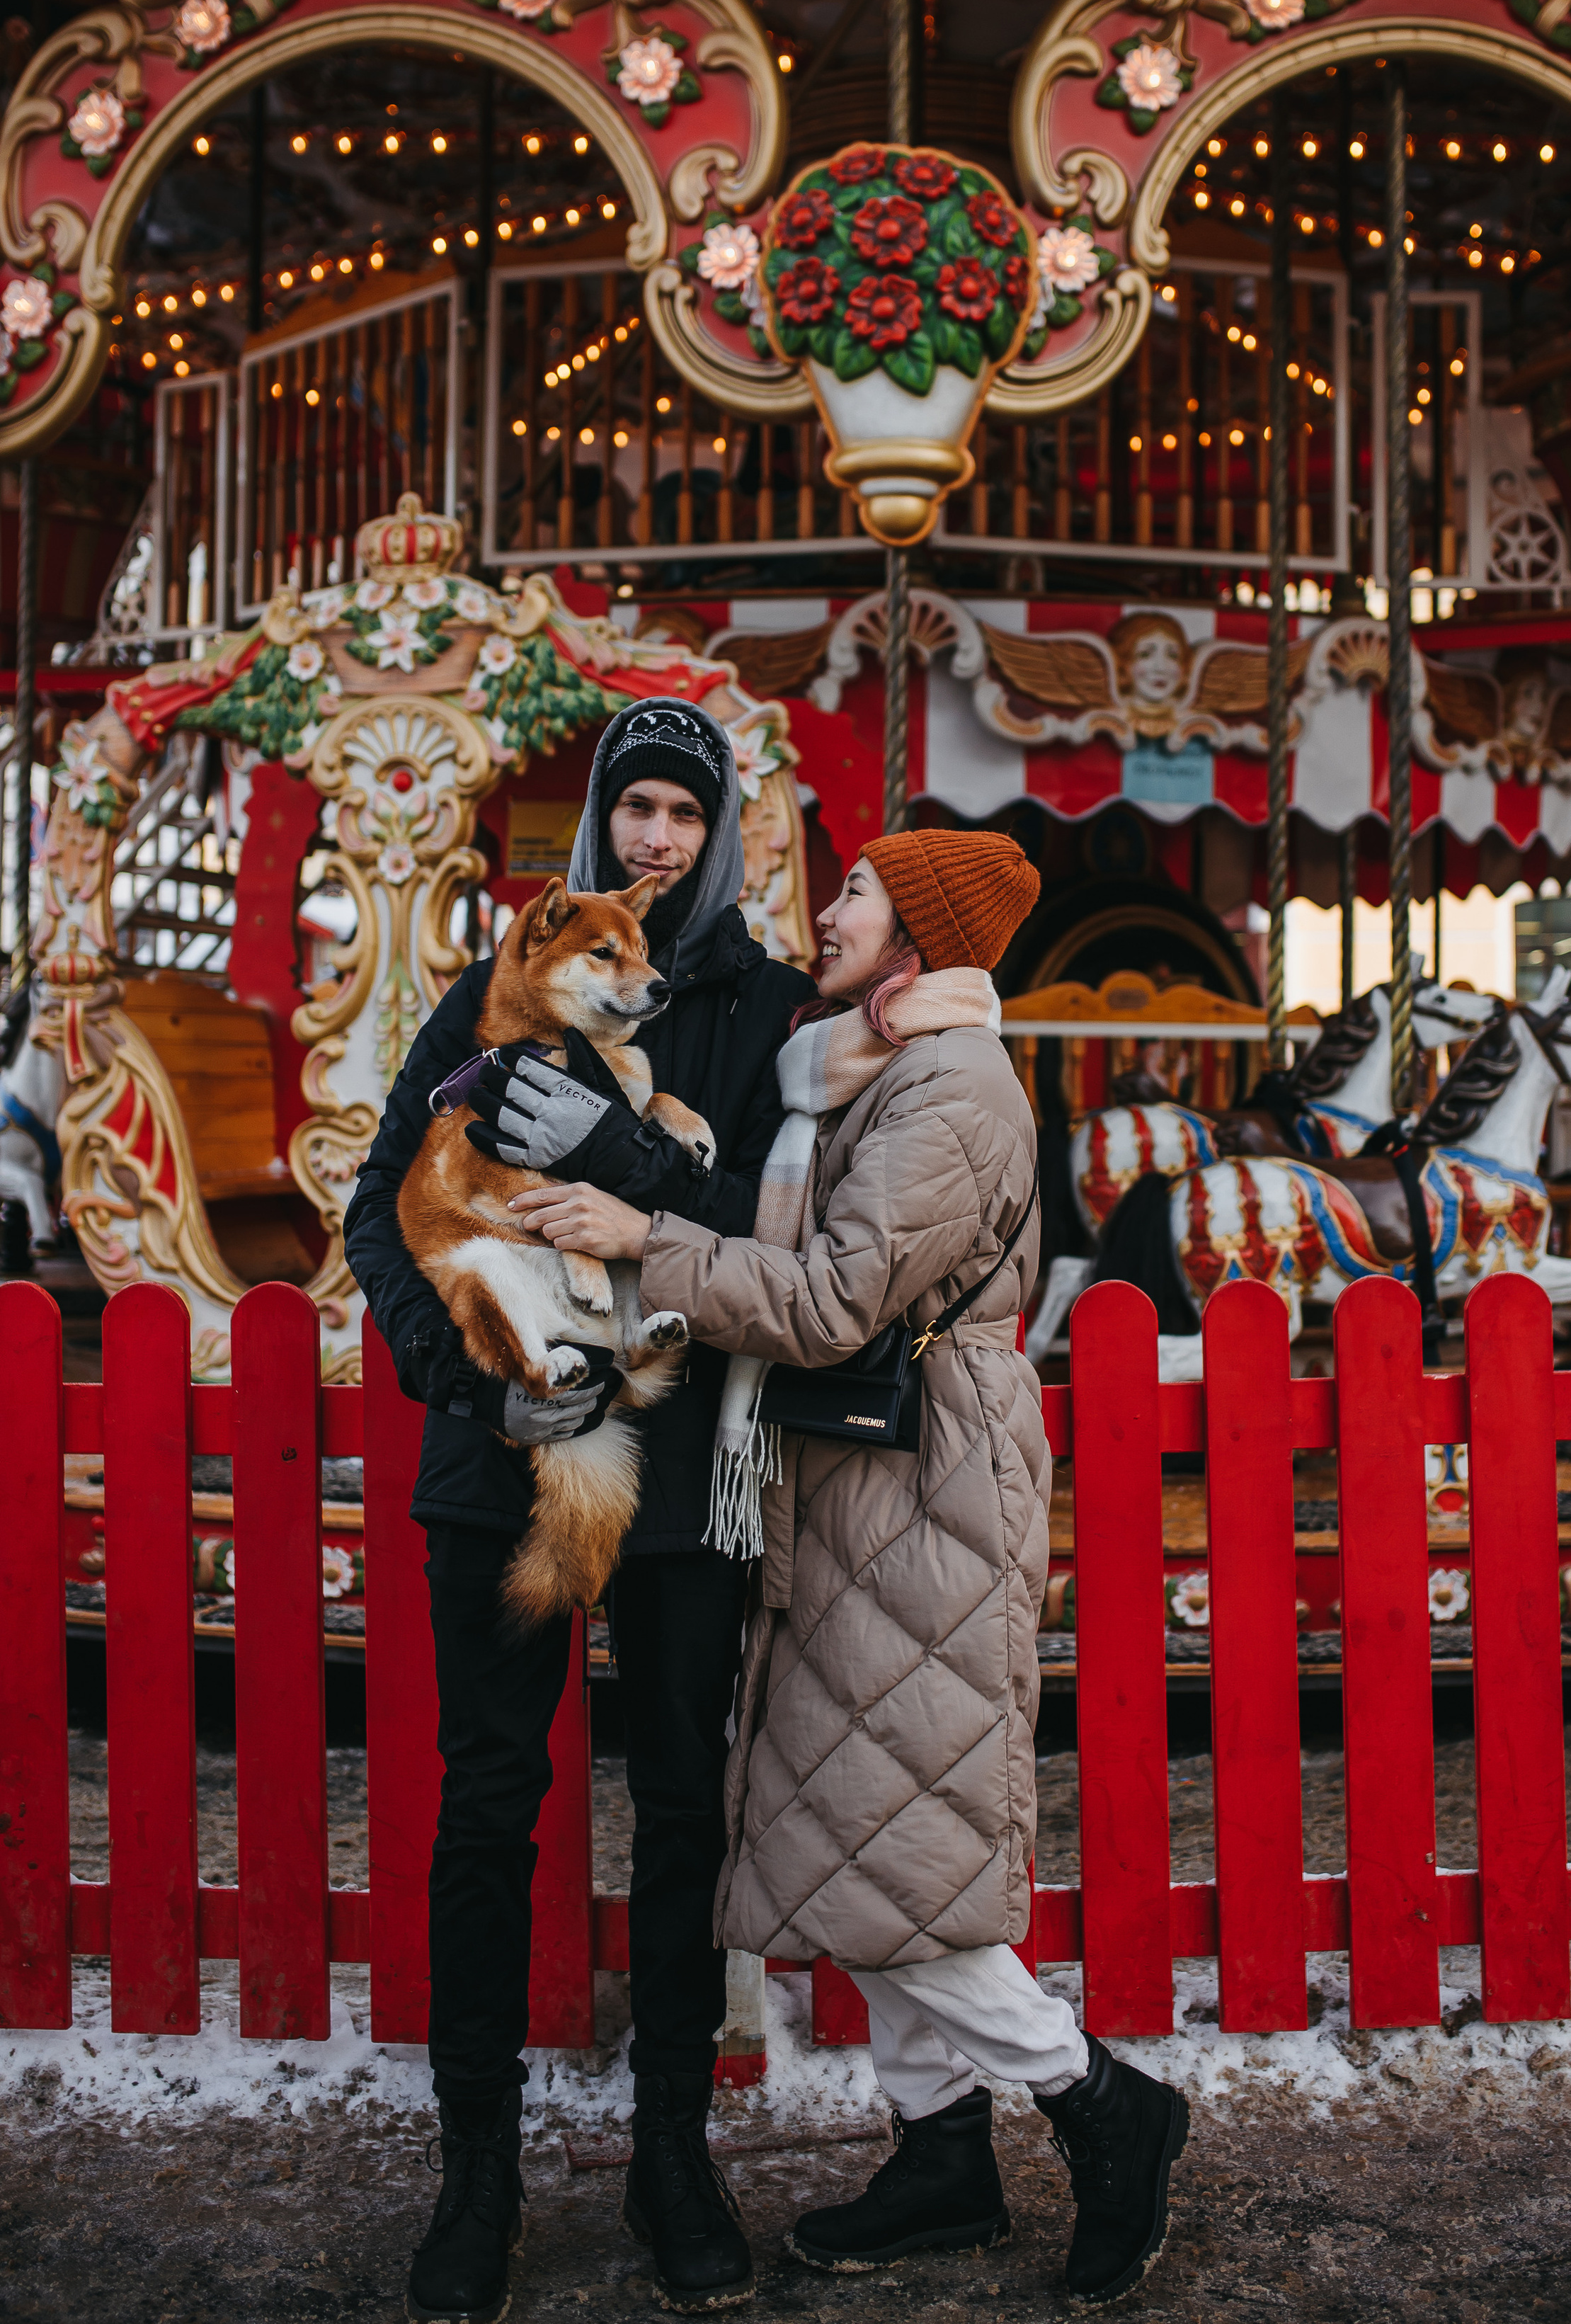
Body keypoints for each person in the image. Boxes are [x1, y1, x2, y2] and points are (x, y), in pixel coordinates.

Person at [510, 828, 1190, 2309]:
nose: (832, 907)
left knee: (886, 1833)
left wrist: (645, 1240)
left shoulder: (949, 1089)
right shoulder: (858, 1067)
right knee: (850, 1824)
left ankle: (1099, 2106)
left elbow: (828, 1303)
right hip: (851, 1481)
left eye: (863, 892)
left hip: (921, 1484)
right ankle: (941, 2154)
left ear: (923, 938)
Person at [343, 695, 814, 2324]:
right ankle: (475, 2162)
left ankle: (670, 2151)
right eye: (634, 808)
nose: (655, 838)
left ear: (721, 830)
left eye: (684, 814)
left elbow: (774, 1226)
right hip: (500, 1453)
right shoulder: (493, 992)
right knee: (489, 1805)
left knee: (685, 1805)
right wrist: (457, 1377)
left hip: (679, 1472)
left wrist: (633, 1156)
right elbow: (377, 1205)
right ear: (598, 821)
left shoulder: (763, 1008)